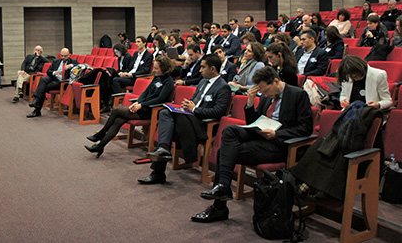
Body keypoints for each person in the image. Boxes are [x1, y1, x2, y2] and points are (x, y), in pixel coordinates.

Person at [191, 67, 312, 223]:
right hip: (261, 135)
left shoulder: (298, 95)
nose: (265, 95)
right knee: (229, 131)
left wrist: (277, 134)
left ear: (276, 81)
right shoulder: (267, 95)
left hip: (278, 144)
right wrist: (250, 102)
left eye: (266, 90)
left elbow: (306, 128)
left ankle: (219, 204)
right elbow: (253, 122)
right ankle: (223, 187)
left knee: (224, 152)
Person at [139, 54, 231, 184]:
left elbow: (218, 112)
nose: (200, 70)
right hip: (188, 119)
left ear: (213, 69)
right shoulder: (202, 81)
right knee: (166, 113)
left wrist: (194, 110)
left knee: (169, 124)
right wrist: (187, 105)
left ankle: (158, 171)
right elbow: (194, 101)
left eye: (203, 67)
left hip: (202, 124)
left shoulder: (223, 87)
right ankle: (163, 151)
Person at [84, 56, 175, 157]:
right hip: (142, 106)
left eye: (156, 68)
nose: (154, 70)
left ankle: (100, 134)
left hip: (151, 110)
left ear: (164, 68)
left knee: (116, 110)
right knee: (118, 120)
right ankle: (100, 146)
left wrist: (141, 105)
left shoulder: (169, 82)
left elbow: (160, 99)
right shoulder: (157, 77)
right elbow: (145, 93)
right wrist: (137, 102)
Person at [26, 48, 78, 118]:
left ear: (69, 55)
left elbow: (81, 66)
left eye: (65, 56)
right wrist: (54, 72)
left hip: (62, 83)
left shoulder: (73, 61)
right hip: (54, 78)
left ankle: (37, 106)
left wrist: (71, 66)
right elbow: (48, 71)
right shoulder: (56, 61)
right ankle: (37, 102)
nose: (63, 57)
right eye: (62, 56)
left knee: (42, 88)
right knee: (43, 79)